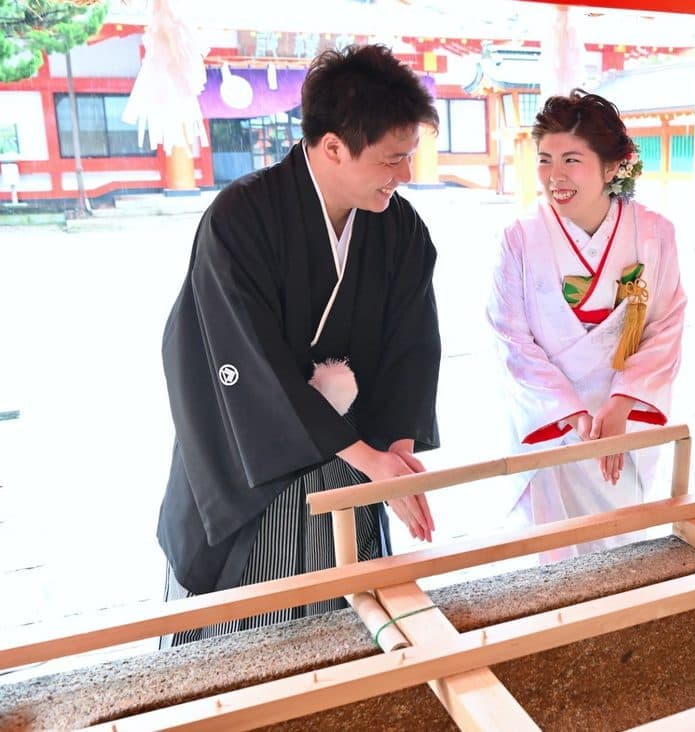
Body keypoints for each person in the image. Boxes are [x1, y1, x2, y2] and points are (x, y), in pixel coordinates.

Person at [157, 44, 441, 644]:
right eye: (393, 159)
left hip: (357, 459)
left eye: (409, 157)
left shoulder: (401, 228)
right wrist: (367, 458)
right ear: (334, 146)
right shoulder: (239, 219)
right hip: (251, 464)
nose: (405, 175)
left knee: (351, 620)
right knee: (249, 635)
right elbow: (244, 358)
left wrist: (394, 452)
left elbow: (412, 349)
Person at [486, 90, 687, 563]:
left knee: (624, 552)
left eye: (572, 160)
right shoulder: (520, 239)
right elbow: (510, 336)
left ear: (613, 166)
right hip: (552, 421)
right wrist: (570, 410)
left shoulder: (654, 233)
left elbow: (666, 324)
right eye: (545, 160)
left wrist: (621, 402)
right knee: (554, 557)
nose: (555, 176)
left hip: (626, 418)